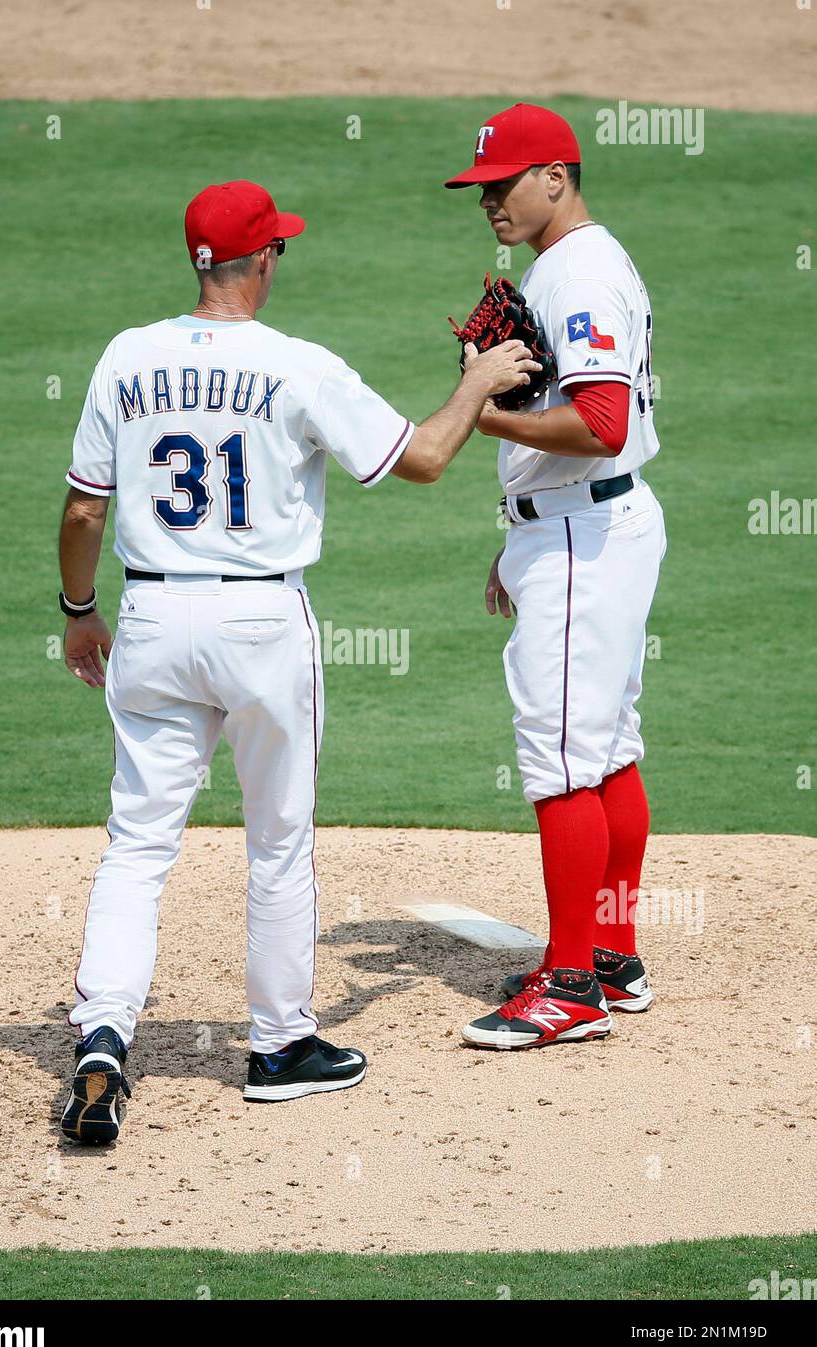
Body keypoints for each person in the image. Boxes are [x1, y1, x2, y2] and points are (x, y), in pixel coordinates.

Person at [57, 179, 539, 1139]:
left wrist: (79, 611)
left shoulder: (125, 357)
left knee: (138, 843)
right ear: (264, 260)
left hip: (150, 616)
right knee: (278, 841)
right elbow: (426, 458)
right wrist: (477, 386)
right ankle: (281, 1047)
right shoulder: (297, 366)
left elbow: (83, 510)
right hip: (261, 626)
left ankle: (104, 1037)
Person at [443, 106, 667, 1051]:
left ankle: (571, 985)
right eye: (482, 187)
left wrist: (485, 420)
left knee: (562, 757)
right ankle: (608, 955)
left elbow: (602, 422)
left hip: (586, 531)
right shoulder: (571, 261)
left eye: (505, 183)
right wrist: (522, 531)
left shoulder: (575, 273)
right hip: (587, 524)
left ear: (558, 177)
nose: (489, 199)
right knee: (606, 745)